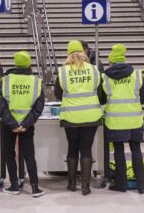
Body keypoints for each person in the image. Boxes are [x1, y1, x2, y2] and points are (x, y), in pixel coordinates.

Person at [54, 40, 104, 195]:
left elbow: (58, 94)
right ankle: (85, 187)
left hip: (70, 116)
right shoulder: (94, 70)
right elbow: (101, 93)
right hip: (91, 115)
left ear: (68, 54)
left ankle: (71, 185)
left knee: (72, 148)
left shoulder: (63, 71)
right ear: (83, 52)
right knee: (86, 148)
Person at [100, 44, 144, 194]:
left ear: (111, 61)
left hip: (115, 121)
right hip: (134, 120)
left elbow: (101, 99)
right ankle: (142, 186)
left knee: (119, 151)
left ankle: (122, 184)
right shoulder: (137, 74)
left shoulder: (105, 77)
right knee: (136, 150)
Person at [0, 51, 46, 198]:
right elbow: (39, 106)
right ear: (29, 63)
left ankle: (14, 185)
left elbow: (1, 105)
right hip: (27, 125)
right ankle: (35, 188)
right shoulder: (35, 81)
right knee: (30, 155)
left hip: (8, 124)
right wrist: (26, 123)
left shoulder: (5, 80)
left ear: (15, 63)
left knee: (9, 154)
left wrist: (12, 123)